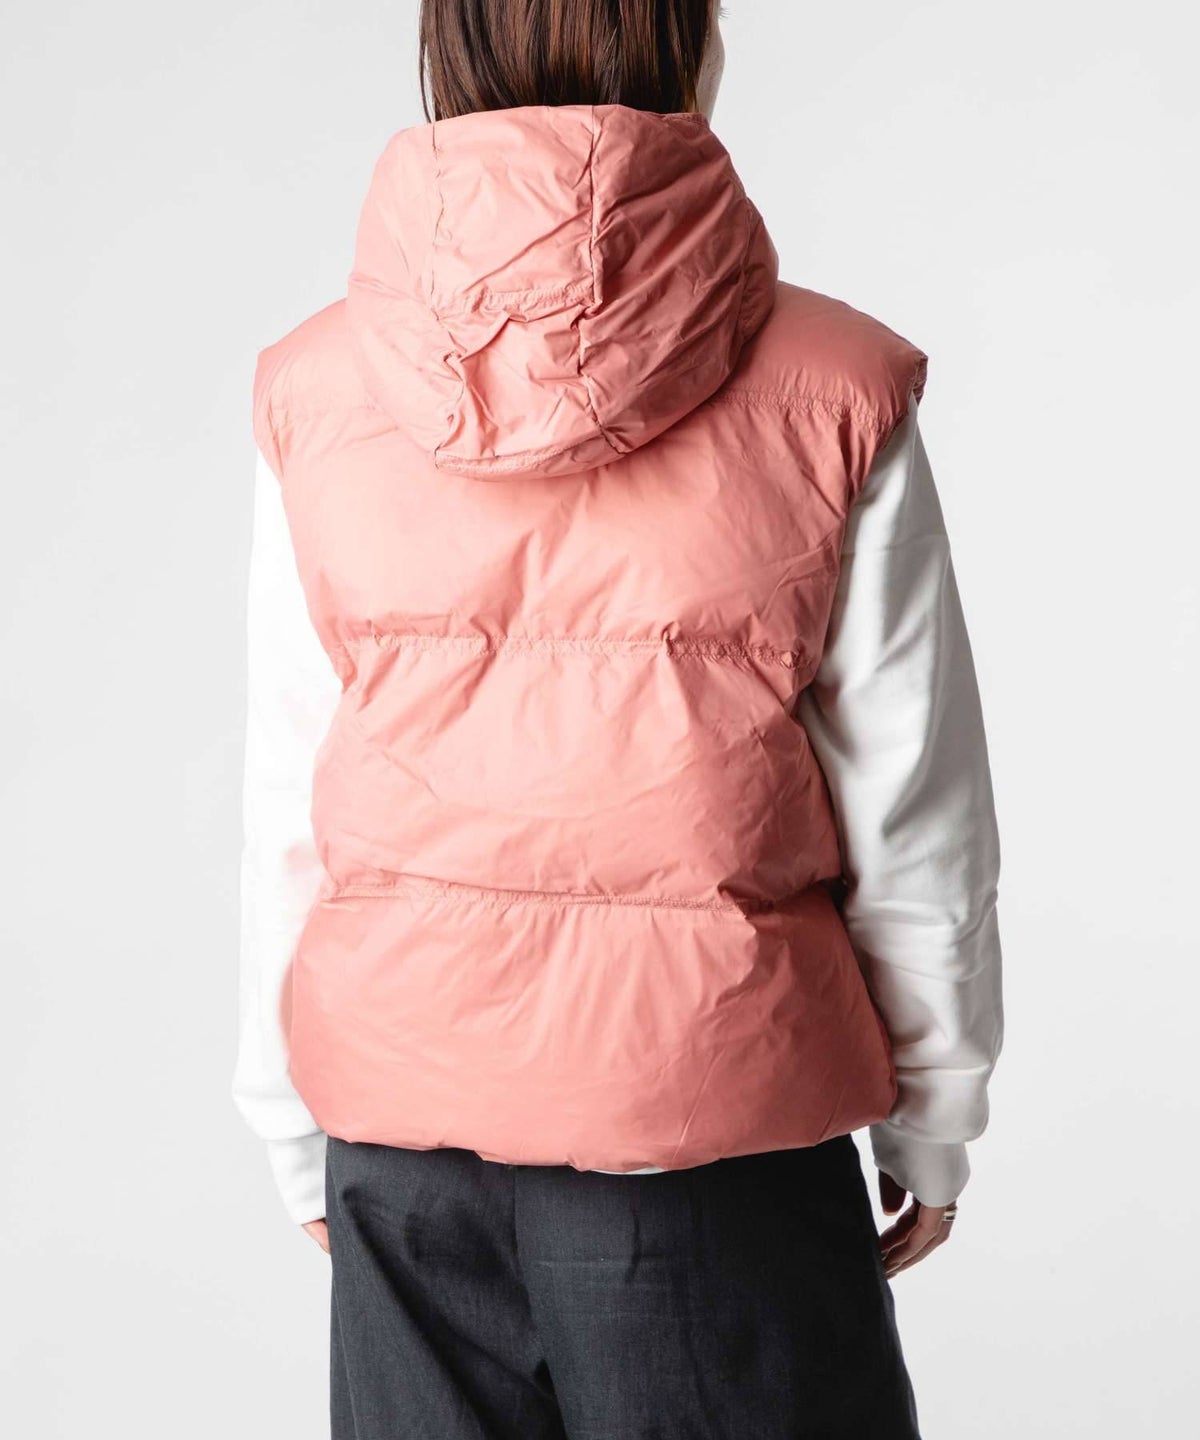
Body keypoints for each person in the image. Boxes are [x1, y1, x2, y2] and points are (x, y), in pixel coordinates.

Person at [233, 2, 1005, 1435]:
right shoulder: (835, 386)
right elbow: (914, 816)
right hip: (716, 1141)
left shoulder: (319, 388)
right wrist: (934, 1120)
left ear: (446, 46)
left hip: (404, 1153)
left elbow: (292, 795)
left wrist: (290, 1118)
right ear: (691, 41)